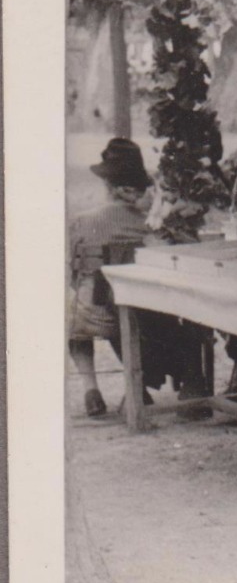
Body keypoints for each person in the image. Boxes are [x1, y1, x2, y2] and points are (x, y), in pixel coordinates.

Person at [67, 139, 165, 417]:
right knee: (117, 300)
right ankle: (137, 385)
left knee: (74, 303)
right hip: (140, 313)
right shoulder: (148, 224)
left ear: (107, 185)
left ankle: (90, 388)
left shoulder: (82, 220)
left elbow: (72, 270)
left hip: (90, 315)